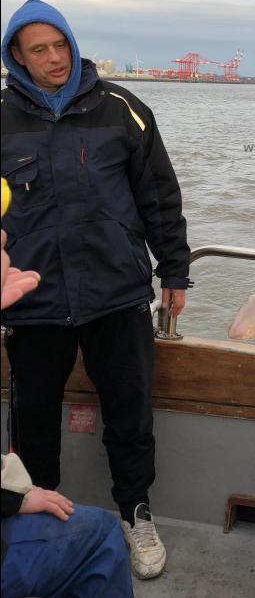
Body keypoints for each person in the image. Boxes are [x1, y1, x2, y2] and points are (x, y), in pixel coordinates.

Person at [1, 0, 191, 579]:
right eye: (40, 50)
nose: (55, 58)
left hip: (116, 295)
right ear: (16, 57)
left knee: (130, 416)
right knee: (31, 421)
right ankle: (36, 523)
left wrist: (175, 270)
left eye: (61, 45)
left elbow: (159, 195)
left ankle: (136, 514)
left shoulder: (124, 110)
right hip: (31, 301)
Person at [2, 215, 135, 598]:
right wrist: (12, 499)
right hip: (38, 316)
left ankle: (136, 509)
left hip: (110, 304)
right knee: (100, 536)